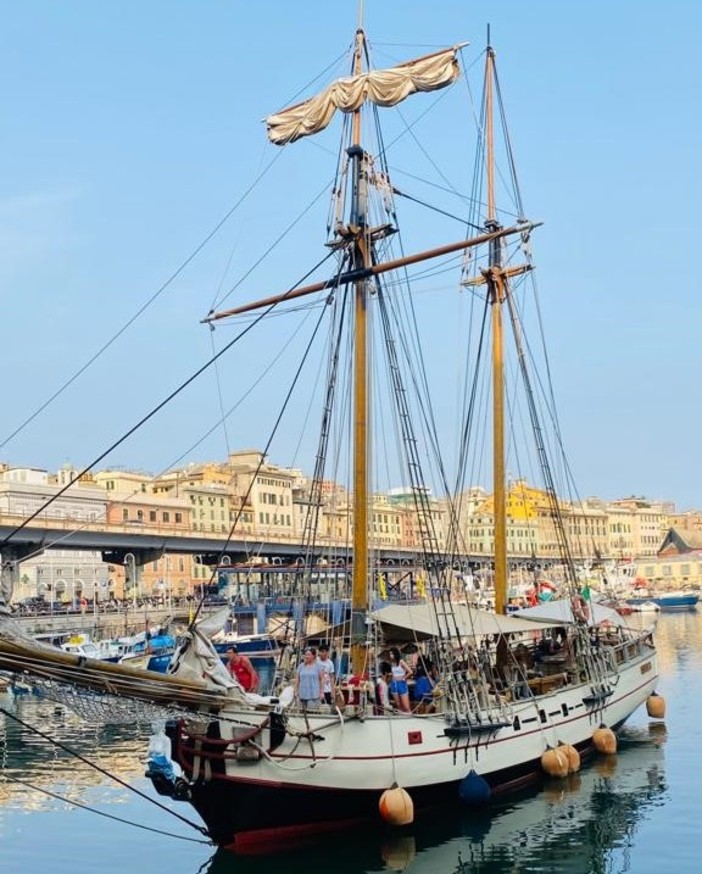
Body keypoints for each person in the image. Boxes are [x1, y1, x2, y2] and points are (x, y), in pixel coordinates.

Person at [388, 647, 412, 713]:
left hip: (401, 684)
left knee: (406, 706)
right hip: (394, 684)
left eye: (392, 654)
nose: (390, 656)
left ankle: (410, 719)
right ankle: (401, 719)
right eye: (390, 654)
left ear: (396, 654)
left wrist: (404, 678)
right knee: (398, 705)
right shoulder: (392, 663)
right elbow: (393, 674)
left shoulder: (401, 662)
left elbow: (410, 671)